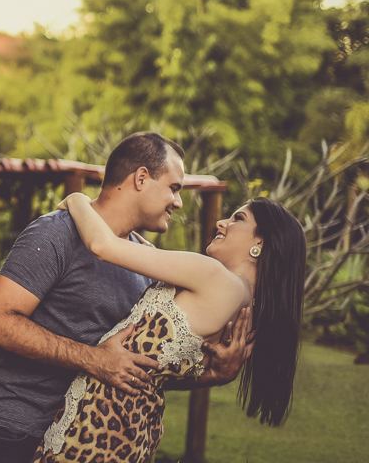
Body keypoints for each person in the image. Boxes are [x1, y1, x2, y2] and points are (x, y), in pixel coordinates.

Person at [0, 133, 253, 463]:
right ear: (141, 178)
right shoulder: (56, 233)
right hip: (11, 427)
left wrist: (213, 376)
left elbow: (129, 369)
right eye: (174, 187)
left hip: (77, 439)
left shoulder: (144, 261)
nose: (178, 202)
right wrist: (92, 358)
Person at [34, 193, 306, 462]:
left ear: (260, 241)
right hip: (127, 431)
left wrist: (76, 199)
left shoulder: (215, 277)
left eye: (238, 218)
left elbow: (101, 246)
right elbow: (157, 368)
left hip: (97, 431)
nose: (221, 222)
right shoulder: (245, 307)